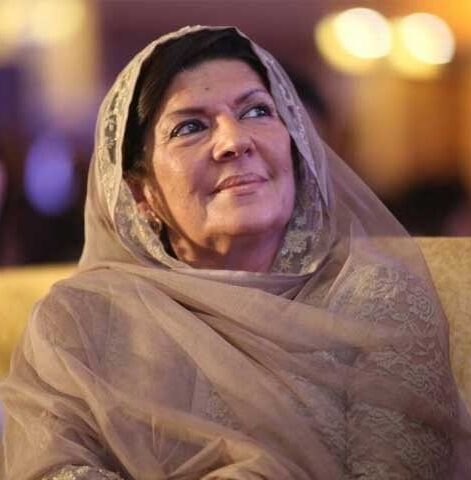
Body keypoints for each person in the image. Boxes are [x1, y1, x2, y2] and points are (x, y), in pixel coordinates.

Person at [1, 25, 469, 480]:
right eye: (190, 126)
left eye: (257, 111)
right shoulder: (83, 321)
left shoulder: (375, 299)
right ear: (141, 193)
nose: (234, 141)